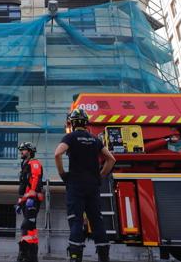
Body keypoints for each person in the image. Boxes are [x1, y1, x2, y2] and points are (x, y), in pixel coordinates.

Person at [54, 109, 116, 262]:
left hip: (76, 184)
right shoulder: (94, 139)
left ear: (72, 123)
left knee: (76, 220)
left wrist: (63, 174)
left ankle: (75, 256)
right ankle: (104, 256)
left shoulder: (70, 137)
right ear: (85, 122)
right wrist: (100, 176)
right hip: (93, 186)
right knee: (97, 220)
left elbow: (57, 153)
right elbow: (111, 159)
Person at [16, 142, 44, 262]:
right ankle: (32, 257)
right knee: (31, 229)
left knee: (26, 226)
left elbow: (36, 178)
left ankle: (24, 255)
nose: (21, 152)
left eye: (23, 150)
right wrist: (21, 201)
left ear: (30, 151)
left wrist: (32, 196)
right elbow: (24, 184)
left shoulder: (34, 163)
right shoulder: (25, 165)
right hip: (26, 199)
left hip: (31, 199)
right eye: (21, 150)